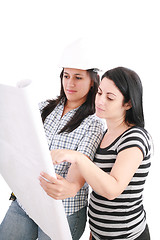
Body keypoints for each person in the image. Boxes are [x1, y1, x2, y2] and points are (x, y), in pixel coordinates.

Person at [0, 40, 104, 240]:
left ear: (93, 80)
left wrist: (71, 186)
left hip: (63, 211)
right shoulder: (43, 109)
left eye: (78, 77)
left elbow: (81, 166)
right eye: (66, 76)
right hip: (27, 200)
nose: (70, 83)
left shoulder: (93, 123)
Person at [44, 67, 152, 240]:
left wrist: (77, 157)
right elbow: (96, 184)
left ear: (128, 103)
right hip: (99, 234)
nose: (100, 101)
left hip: (126, 236)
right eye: (99, 93)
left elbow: (112, 190)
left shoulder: (135, 138)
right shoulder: (104, 134)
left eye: (109, 98)